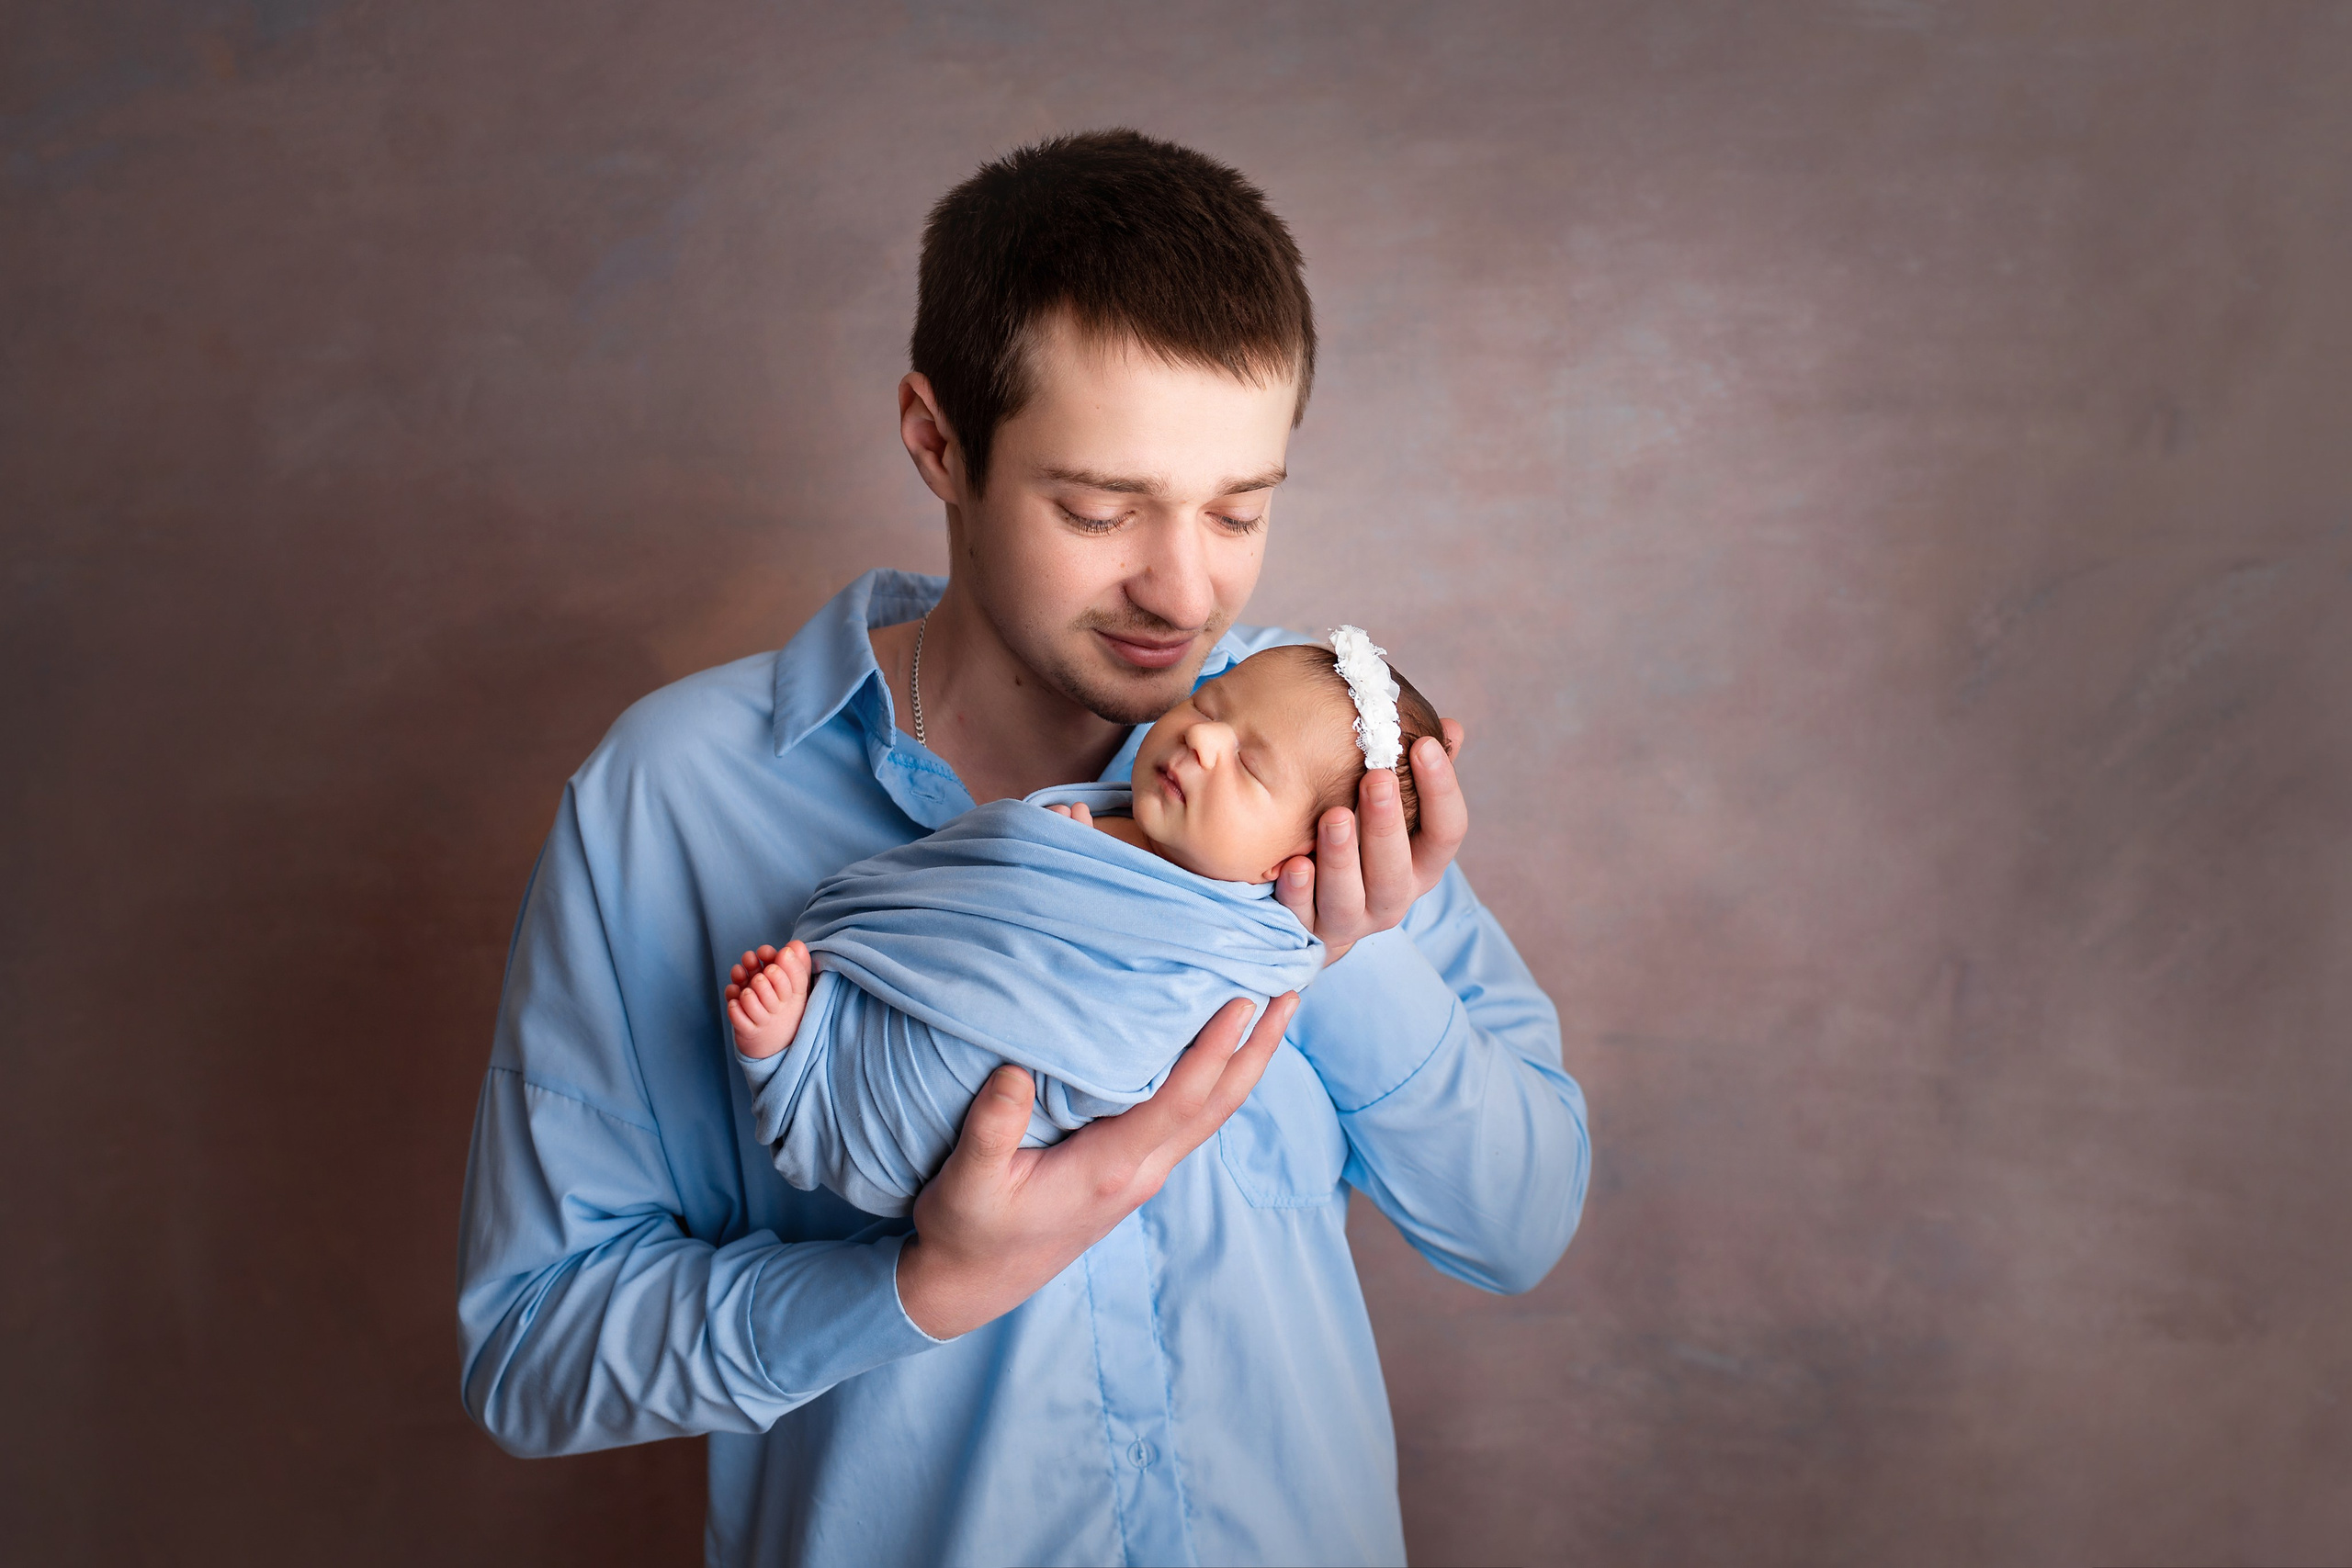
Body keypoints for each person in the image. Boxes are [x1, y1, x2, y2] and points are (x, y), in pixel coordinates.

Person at [457, 129, 1590, 1567]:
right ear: (938, 438)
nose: (1184, 590)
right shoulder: (669, 798)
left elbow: (1519, 1220)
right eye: (1100, 508)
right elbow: (535, 1349)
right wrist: (920, 1285)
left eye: (1241, 508)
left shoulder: (1311, 766)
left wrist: (1332, 946)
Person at [721, 634, 1455, 1219]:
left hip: (984, 1099)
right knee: (826, 1007)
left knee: (956, 1086)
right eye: (1210, 706)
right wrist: (1049, 850)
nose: (1203, 741)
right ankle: (790, 1050)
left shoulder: (1226, 949)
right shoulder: (1104, 805)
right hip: (909, 997)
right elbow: (977, 876)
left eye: (1250, 767)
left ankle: (789, 1063)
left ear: (1292, 861)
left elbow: (1131, 1043)